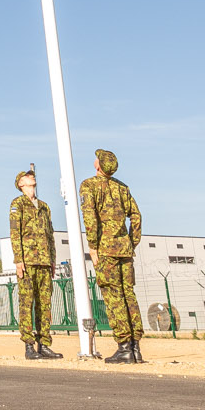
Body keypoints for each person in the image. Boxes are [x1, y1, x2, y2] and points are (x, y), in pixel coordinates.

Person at [79, 150, 143, 364]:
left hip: (106, 249)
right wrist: (132, 241)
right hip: (124, 248)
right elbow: (136, 215)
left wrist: (93, 247)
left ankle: (124, 346)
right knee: (128, 295)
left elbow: (90, 217)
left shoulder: (89, 185)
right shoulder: (122, 187)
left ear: (98, 166)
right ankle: (136, 347)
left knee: (114, 297)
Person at [9, 168, 62, 360]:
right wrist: (18, 260)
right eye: (27, 176)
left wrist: (53, 259)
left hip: (44, 261)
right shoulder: (18, 204)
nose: (32, 177)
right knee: (26, 303)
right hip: (28, 262)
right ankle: (29, 346)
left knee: (44, 305)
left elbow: (50, 235)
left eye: (33, 176)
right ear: (21, 184)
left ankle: (44, 344)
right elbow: (15, 233)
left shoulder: (44, 206)